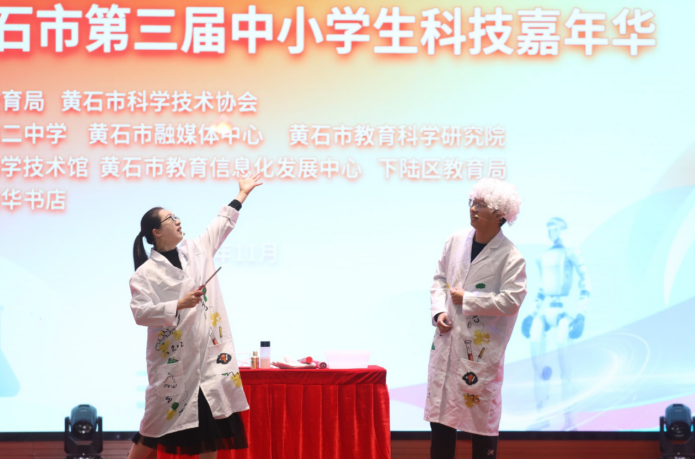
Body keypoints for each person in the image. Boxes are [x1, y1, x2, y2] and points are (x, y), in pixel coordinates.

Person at [126, 174, 263, 459]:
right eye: (170, 218)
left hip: (208, 361)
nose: (178, 221)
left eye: (176, 216)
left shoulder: (197, 250)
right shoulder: (145, 274)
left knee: (210, 434)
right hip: (174, 363)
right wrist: (178, 304)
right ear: (156, 232)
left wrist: (242, 194)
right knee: (152, 431)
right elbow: (140, 313)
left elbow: (222, 223)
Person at [425, 178, 526, 459]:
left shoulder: (511, 257)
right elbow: (440, 279)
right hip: (448, 344)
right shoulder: (455, 240)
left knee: (481, 425)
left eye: (481, 205)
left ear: (499, 214)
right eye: (473, 202)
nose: (473, 209)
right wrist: (439, 311)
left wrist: (468, 300)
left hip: (480, 351)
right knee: (441, 424)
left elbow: (511, 301)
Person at [521, 217, 590, 431]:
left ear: (561, 229)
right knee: (537, 359)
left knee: (565, 365)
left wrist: (581, 314)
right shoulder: (543, 257)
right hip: (546, 312)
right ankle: (541, 414)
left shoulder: (571, 253)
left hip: (563, 313)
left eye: (555, 228)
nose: (551, 231)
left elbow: (585, 282)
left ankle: (569, 419)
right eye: (549, 228)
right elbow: (543, 288)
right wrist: (531, 314)